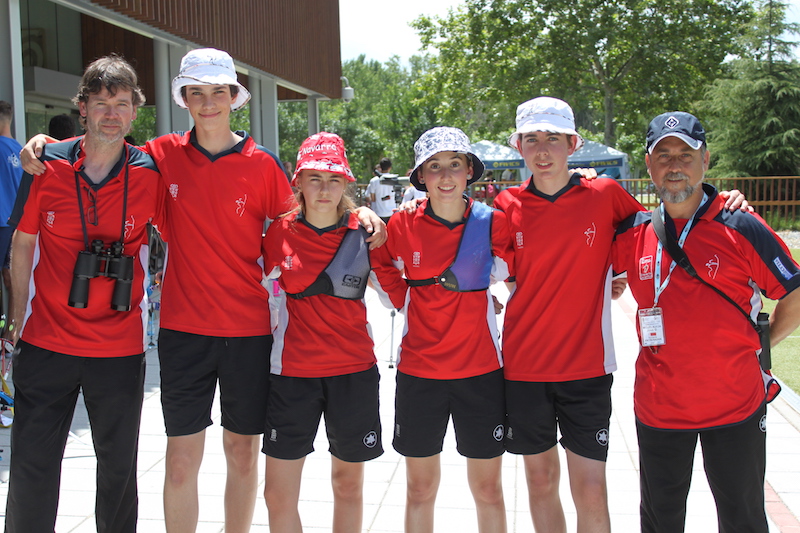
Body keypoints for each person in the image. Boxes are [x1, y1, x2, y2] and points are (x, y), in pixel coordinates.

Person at [19, 47, 386, 533]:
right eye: (197, 93)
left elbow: (305, 218)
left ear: (235, 98)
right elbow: (101, 146)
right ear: (184, 99)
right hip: (181, 330)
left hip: (250, 331)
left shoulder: (263, 165)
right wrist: (45, 144)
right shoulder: (160, 156)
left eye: (219, 92)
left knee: (241, 454)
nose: (208, 102)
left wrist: (360, 215)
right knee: (180, 461)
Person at [492, 97, 748, 533]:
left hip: (587, 369)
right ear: (519, 145)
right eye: (532, 139)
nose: (542, 149)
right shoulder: (505, 205)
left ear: (573, 144)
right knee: (539, 481)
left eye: (553, 138)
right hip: (523, 368)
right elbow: (490, 259)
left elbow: (672, 214)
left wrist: (725, 201)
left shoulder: (606, 194)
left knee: (590, 488)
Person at [611, 111, 800, 533]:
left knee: (743, 519)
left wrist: (758, 345)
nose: (674, 165)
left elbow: (795, 293)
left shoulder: (742, 225)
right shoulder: (634, 233)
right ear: (648, 165)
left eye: (685, 154)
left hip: (734, 403)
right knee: (660, 521)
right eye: (663, 156)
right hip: (660, 407)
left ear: (705, 160)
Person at [5, 55, 162, 533]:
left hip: (117, 348)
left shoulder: (152, 173)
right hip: (47, 340)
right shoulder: (46, 163)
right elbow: (23, 241)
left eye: (120, 104)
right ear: (82, 108)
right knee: (32, 463)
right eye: (100, 103)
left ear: (135, 111)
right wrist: (15, 319)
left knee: (118, 468)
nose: (110, 114)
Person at [372, 127, 513, 533]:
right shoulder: (401, 225)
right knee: (419, 489)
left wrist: (482, 287)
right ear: (421, 176)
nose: (446, 176)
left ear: (470, 170)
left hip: (481, 371)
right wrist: (403, 298)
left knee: (488, 490)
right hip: (420, 374)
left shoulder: (493, 222)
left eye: (455, 164)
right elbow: (380, 263)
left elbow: (513, 270)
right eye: (434, 167)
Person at [261, 132, 383, 532]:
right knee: (277, 495)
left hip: (353, 372)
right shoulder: (278, 233)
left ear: (346, 183)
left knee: (347, 485)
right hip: (292, 374)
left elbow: (399, 291)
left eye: (333, 179)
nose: (324, 188)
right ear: (297, 182)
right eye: (314, 177)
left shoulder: (366, 232)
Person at [0, 101, 22, 321]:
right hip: (18, 225)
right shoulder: (22, 149)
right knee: (13, 278)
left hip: (1, 222)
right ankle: (11, 333)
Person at [365, 157, 397, 222]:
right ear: (389, 168)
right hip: (392, 211)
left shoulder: (373, 181)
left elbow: (373, 198)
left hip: (378, 212)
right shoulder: (395, 179)